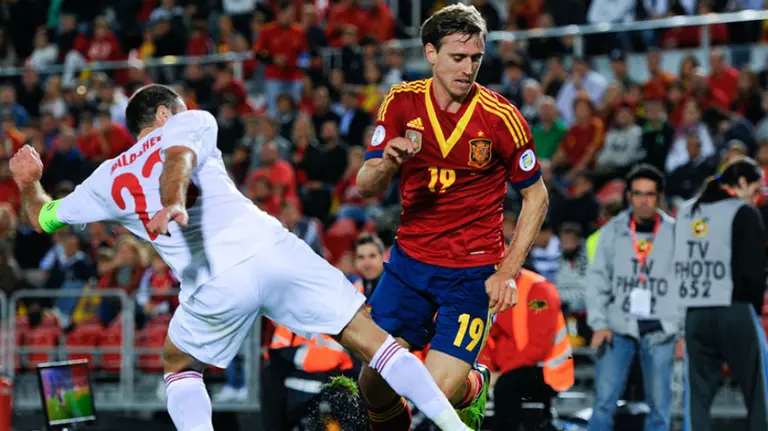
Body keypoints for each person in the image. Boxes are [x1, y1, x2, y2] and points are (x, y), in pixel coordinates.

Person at [9, 84, 474, 431]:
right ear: (167, 111)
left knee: (178, 363)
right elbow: (177, 159)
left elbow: (42, 218)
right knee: (370, 338)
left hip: (214, 284)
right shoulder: (190, 121)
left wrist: (28, 182)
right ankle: (452, 428)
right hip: (273, 251)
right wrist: (173, 200)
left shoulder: (105, 179)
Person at [355, 4, 549, 430]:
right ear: (430, 53)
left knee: (436, 393)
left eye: (475, 58)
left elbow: (536, 196)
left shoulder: (502, 118)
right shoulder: (403, 102)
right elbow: (364, 186)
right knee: (372, 385)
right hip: (409, 265)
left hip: (470, 273)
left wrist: (508, 271)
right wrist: (386, 162)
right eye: (457, 57)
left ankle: (473, 385)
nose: (468, 68)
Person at [670, 158, 768, 431]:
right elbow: (753, 271)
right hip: (734, 308)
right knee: (760, 392)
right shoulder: (744, 212)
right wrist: (755, 307)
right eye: (756, 188)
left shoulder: (686, 212)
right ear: (741, 183)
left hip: (695, 313)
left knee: (698, 398)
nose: (757, 196)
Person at [586, 164, 680, 431]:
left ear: (660, 197)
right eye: (637, 193)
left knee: (660, 408)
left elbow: (685, 285)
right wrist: (599, 323)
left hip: (661, 329)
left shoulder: (676, 232)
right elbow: (597, 280)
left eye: (650, 194)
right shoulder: (611, 232)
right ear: (628, 196)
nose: (643, 200)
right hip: (617, 327)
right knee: (603, 403)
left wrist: (680, 330)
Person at [479, 269, 574, 431]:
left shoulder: (539, 291)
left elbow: (538, 348)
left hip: (545, 371)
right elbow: (487, 338)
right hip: (509, 369)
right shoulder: (493, 290)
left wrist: (499, 375)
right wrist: (486, 371)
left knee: (506, 386)